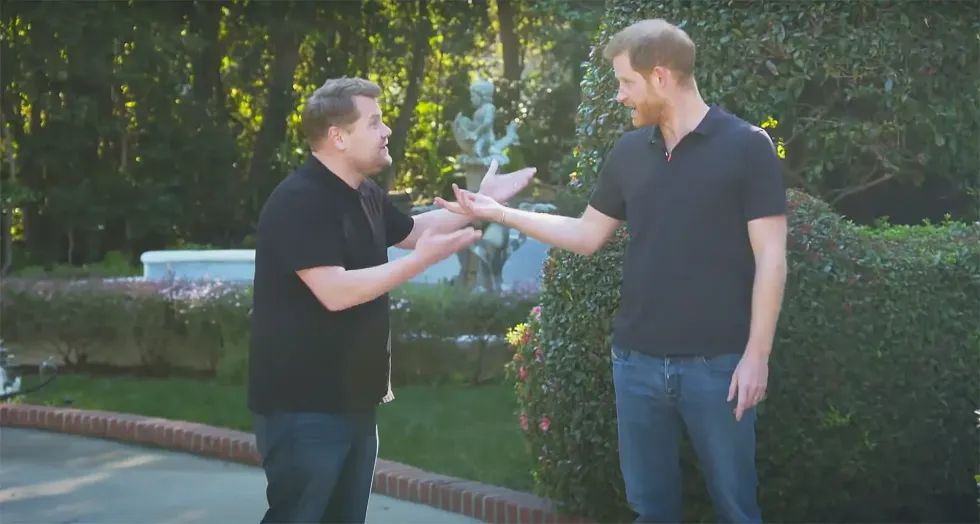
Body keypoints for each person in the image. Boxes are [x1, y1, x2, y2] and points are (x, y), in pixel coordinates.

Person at [435, 19, 787, 524]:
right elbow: (586, 234)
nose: (620, 95)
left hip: (719, 368)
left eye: (626, 82)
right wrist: (499, 213)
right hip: (636, 364)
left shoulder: (747, 146)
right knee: (650, 510)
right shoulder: (629, 152)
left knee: (737, 509)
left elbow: (771, 255)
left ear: (660, 76)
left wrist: (758, 355)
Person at [247, 76, 536, 524]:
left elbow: (415, 231)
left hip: (355, 402)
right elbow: (335, 292)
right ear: (338, 136)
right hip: (304, 408)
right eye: (374, 122)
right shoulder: (299, 201)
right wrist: (421, 262)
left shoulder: (363, 193)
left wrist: (481, 204)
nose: (386, 131)